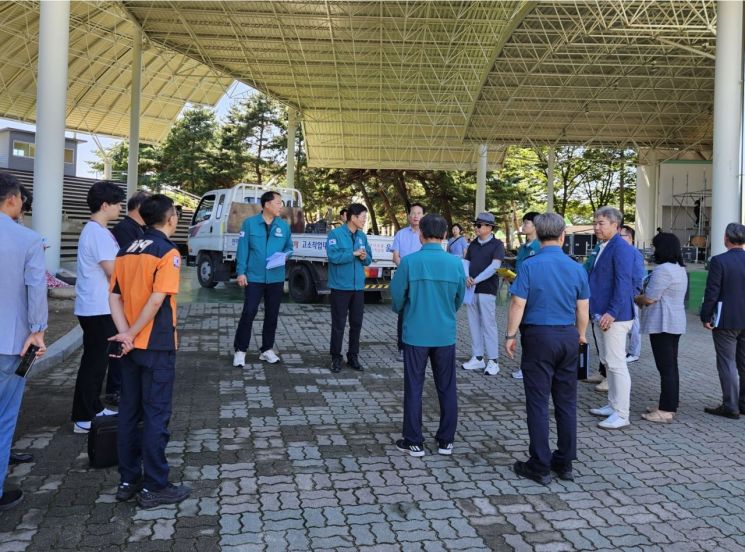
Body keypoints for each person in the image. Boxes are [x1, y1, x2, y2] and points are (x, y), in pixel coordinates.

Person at [108, 194, 191, 509]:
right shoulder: (167, 251)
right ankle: (156, 485)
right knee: (156, 415)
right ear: (170, 219)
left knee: (129, 412)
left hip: (129, 346)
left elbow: (114, 297)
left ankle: (128, 480)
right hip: (155, 344)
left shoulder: (126, 249)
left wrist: (124, 333)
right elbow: (157, 301)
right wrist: (132, 332)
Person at [505, 212, 589, 484]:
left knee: (538, 402)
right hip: (568, 336)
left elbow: (518, 303)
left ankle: (539, 465)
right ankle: (565, 463)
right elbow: (583, 308)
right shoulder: (577, 268)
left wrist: (510, 334)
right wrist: (581, 335)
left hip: (539, 337)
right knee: (566, 402)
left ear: (539, 237)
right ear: (563, 236)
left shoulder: (530, 265)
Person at [391, 214, 465, 457]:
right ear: (444, 236)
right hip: (445, 334)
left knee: (414, 386)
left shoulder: (409, 262)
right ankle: (446, 441)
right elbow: (458, 299)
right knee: (447, 387)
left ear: (421, 234)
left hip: (416, 334)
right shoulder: (455, 264)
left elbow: (397, 299)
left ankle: (414, 441)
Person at [0, 173, 47, 511]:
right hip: (10, 342)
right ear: (13, 199)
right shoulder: (27, 239)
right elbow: (36, 289)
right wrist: (38, 330)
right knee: (3, 419)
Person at [71, 181, 124, 433]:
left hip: (97, 306)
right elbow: (113, 272)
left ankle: (91, 406)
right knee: (93, 363)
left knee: (97, 361)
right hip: (97, 307)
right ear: (105, 205)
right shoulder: (96, 232)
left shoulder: (98, 231)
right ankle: (83, 416)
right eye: (117, 204)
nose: (120, 208)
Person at [587, 206, 635, 429]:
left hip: (615, 316)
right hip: (603, 313)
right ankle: (613, 404)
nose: (596, 227)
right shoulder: (603, 246)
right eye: (595, 223)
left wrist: (612, 312)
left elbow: (624, 283)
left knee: (616, 365)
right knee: (609, 362)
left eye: (601, 223)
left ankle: (622, 414)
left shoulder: (620, 248)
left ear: (616, 225)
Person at [233, 191, 293, 367]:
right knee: (249, 312)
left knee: (272, 315)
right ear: (267, 204)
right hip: (254, 277)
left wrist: (285, 256)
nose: (281, 206)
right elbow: (242, 250)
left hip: (275, 277)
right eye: (278, 203)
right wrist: (241, 272)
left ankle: (266, 349)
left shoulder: (283, 226)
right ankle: (240, 350)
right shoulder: (250, 224)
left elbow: (289, 247)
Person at [104, 190, 151, 406]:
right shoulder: (124, 230)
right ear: (140, 207)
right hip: (124, 296)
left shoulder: (140, 229)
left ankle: (124, 385)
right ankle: (115, 388)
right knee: (122, 340)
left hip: (135, 296)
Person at [635, 233, 687, 423]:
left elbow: (649, 298)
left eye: (655, 246)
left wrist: (635, 298)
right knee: (670, 366)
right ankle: (669, 403)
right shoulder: (679, 268)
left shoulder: (663, 270)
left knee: (666, 367)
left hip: (663, 324)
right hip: (674, 323)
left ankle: (665, 410)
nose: (653, 250)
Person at [700, 222, 745, 419]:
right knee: (743, 363)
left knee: (727, 362)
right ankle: (742, 403)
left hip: (726, 319)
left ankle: (730, 406)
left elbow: (712, 291)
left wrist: (706, 315)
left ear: (726, 238)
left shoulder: (719, 261)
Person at [327, 203, 373, 373]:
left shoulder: (362, 236)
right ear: (353, 217)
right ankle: (335, 357)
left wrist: (364, 256)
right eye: (363, 218)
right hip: (340, 287)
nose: (364, 221)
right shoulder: (335, 234)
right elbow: (333, 257)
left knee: (356, 323)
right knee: (338, 324)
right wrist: (352, 254)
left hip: (358, 288)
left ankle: (353, 356)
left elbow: (369, 260)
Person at [462, 212, 505, 376]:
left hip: (487, 289)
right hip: (470, 289)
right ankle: (478, 357)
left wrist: (476, 279)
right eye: (476, 225)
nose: (476, 228)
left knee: (488, 324)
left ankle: (493, 361)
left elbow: (495, 266)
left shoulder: (497, 244)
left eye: (479, 225)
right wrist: (467, 277)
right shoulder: (473, 244)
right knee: (473, 323)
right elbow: (465, 262)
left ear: (489, 227)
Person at [392, 203, 425, 361]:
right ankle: (402, 347)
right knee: (403, 314)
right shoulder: (400, 234)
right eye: (413, 213)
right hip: (405, 279)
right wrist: (407, 272)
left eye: (419, 213)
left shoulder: (426, 235)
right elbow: (396, 256)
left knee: (420, 312)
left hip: (421, 281)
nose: (416, 216)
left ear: (423, 216)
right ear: (408, 216)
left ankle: (419, 346)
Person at [511, 211, 542, 380]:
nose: (523, 226)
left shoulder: (539, 247)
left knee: (532, 334)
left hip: (534, 297)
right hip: (520, 294)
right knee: (524, 332)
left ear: (536, 226)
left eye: (527, 223)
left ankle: (532, 367)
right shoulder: (523, 248)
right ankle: (526, 366)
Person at [619, 225, 646, 364]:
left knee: (634, 325)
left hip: (631, 295)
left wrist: (635, 294)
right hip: (624, 294)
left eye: (620, 236)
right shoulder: (623, 252)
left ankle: (634, 352)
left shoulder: (634, 253)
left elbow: (638, 275)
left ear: (629, 237)